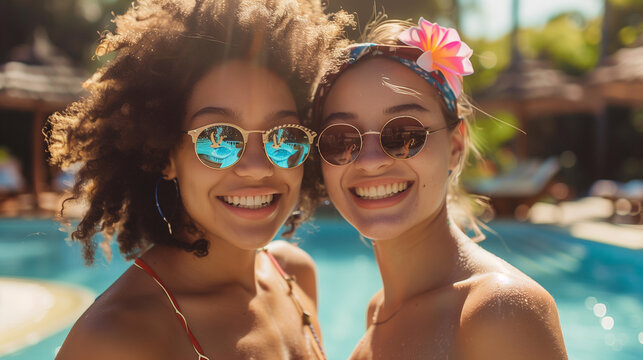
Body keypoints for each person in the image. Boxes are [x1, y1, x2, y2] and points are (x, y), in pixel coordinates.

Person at [46, 0, 351, 358]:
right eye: (218, 138)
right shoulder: (118, 339)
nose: (257, 166)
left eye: (283, 136)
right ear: (165, 155)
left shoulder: (296, 275)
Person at [313, 17, 568, 359]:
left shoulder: (498, 312)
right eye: (340, 139)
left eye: (404, 134)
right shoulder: (379, 311)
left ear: (455, 146)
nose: (370, 161)